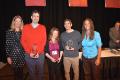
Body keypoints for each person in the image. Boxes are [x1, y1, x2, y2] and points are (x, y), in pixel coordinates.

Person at [21, 10, 47, 80]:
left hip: (40, 54)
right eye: (34, 16)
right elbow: (23, 41)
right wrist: (29, 52)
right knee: (31, 73)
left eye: (37, 16)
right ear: (31, 17)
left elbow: (43, 41)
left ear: (39, 18)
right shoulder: (25, 27)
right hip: (28, 55)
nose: (36, 18)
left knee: (40, 73)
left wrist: (38, 52)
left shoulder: (43, 27)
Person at [6, 15, 25, 80]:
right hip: (13, 56)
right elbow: (7, 45)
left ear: (21, 22)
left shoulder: (24, 32)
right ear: (13, 22)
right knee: (15, 73)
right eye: (16, 21)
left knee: (21, 73)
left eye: (19, 21)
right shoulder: (9, 32)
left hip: (22, 55)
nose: (18, 23)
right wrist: (8, 56)